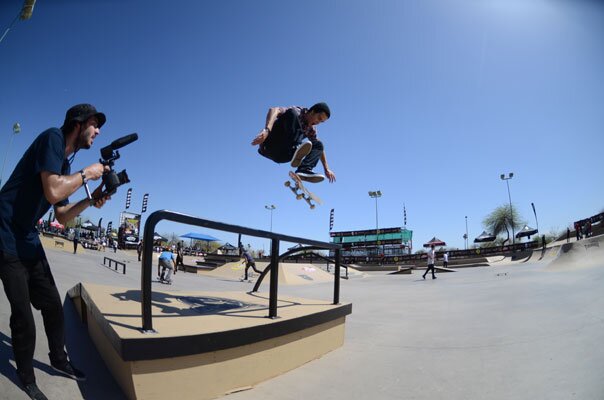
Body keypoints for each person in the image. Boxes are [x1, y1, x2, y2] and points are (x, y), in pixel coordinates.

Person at [0, 103, 111, 399]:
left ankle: (59, 360)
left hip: (28, 238)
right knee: (23, 314)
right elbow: (53, 191)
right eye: (94, 124)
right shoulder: (52, 138)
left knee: (52, 304)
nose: (97, 131)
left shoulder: (62, 165)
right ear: (78, 123)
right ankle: (27, 377)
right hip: (6, 233)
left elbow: (61, 215)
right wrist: (87, 174)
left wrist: (92, 200)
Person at [251, 102, 336, 183]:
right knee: (292, 114)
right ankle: (297, 148)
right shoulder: (297, 111)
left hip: (283, 156)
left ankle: (304, 169)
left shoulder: (312, 129)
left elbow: (319, 149)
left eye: (321, 122)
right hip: (270, 145)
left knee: (318, 144)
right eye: (319, 118)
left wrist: (326, 168)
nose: (318, 122)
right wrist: (267, 130)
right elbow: (274, 110)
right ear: (312, 111)